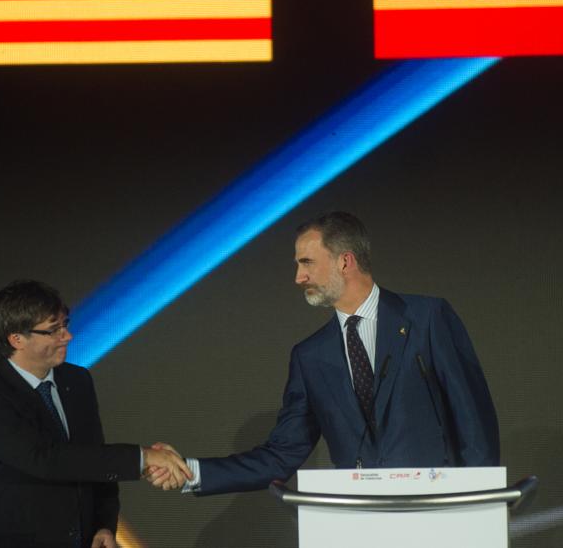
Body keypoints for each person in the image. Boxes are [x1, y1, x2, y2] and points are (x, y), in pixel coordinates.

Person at [150, 211, 500, 494]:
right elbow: (281, 456)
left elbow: (472, 419)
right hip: (359, 522)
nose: (298, 277)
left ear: (345, 262)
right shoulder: (310, 356)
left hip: (440, 512)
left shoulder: (427, 318)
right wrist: (192, 472)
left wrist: (482, 504)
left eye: (307, 263)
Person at [0, 280, 190, 548]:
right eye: (53, 330)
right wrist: (144, 457)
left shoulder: (77, 380)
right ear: (17, 339)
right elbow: (47, 460)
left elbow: (94, 457)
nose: (67, 336)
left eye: (65, 324)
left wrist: (105, 525)